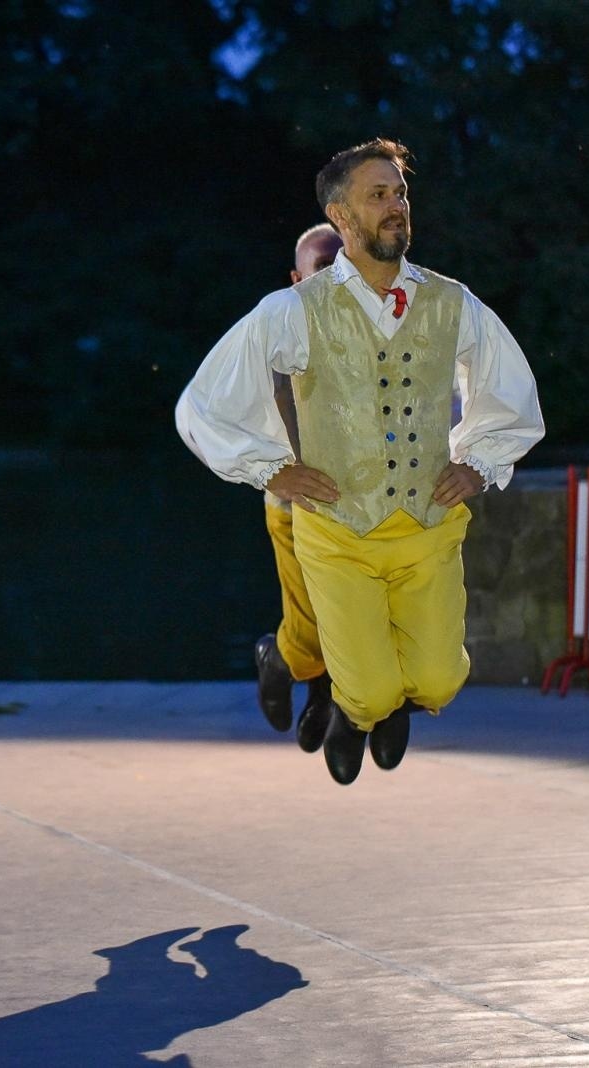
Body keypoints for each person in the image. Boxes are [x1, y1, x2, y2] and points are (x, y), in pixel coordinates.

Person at [177, 139, 544, 785]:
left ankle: (369, 700)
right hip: (337, 530)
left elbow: (510, 393)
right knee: (368, 687)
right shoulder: (292, 310)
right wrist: (270, 469)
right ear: (340, 218)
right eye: (378, 195)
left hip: (427, 524)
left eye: (400, 192)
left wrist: (479, 463)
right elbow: (206, 403)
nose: (396, 206)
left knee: (439, 680)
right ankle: (355, 706)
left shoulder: (451, 301)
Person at [255, 223, 344, 754]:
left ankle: (329, 701)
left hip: (362, 498)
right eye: (322, 268)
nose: (335, 278)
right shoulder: (273, 331)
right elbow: (234, 412)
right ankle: (279, 662)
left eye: (343, 266)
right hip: (293, 501)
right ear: (297, 277)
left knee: (355, 612)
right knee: (311, 622)